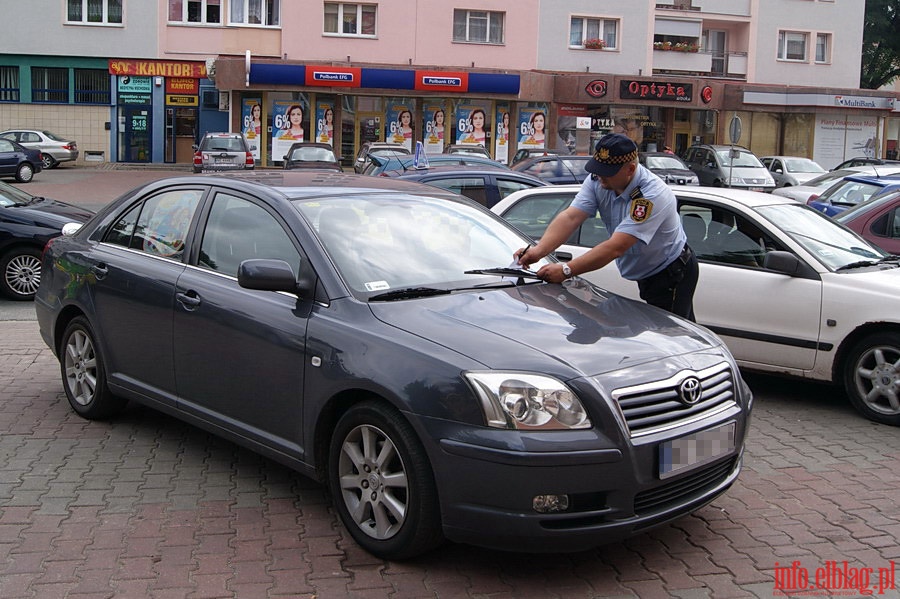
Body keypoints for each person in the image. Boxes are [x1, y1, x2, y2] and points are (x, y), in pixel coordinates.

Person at [516, 133, 699, 321]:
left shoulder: (651, 195)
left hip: (671, 273)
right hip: (647, 272)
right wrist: (539, 251)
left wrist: (566, 271)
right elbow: (571, 217)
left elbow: (616, 247)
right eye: (598, 169)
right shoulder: (598, 181)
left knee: (672, 335)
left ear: (630, 169)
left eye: (607, 172)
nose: (600, 176)